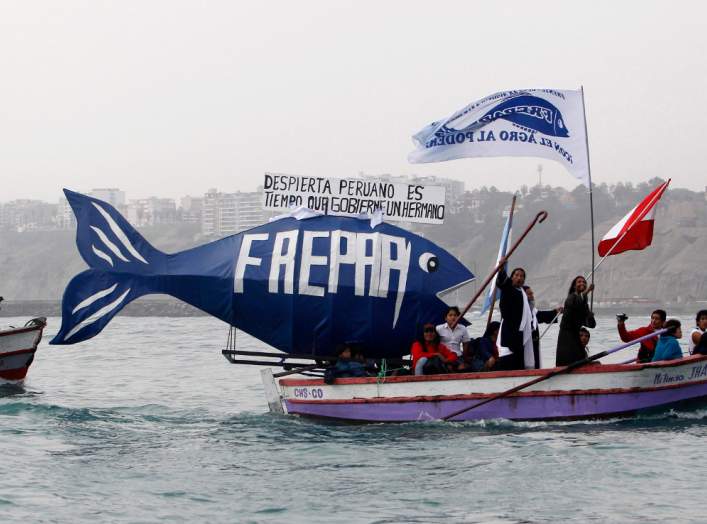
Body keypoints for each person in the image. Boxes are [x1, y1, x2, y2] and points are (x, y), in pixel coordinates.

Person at [496, 267, 534, 370]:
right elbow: (503, 282)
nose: (519, 278)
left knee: (518, 363)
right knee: (507, 361)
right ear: (512, 277)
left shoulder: (523, 293)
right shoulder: (509, 289)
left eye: (522, 276)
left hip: (519, 334)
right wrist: (501, 269)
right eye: (516, 275)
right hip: (508, 331)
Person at [555, 276, 596, 366]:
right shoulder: (571, 298)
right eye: (579, 282)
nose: (582, 283)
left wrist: (590, 316)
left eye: (584, 282)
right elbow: (575, 302)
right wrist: (588, 290)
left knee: (580, 359)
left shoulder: (584, 304)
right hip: (566, 337)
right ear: (574, 286)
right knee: (568, 360)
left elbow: (591, 324)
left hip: (575, 337)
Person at [523, 285, 562, 369]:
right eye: (529, 294)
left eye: (532, 293)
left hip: (534, 344)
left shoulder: (533, 311)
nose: (532, 296)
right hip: (524, 345)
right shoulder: (520, 311)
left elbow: (541, 316)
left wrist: (556, 311)